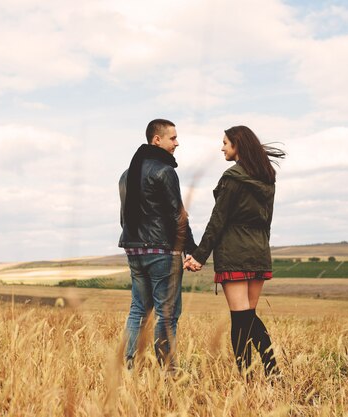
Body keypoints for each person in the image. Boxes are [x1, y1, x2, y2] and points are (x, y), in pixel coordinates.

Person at [184, 125, 285, 378]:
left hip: (235, 254)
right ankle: (270, 371)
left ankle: (254, 376)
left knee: (241, 320)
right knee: (248, 317)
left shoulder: (232, 177)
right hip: (259, 252)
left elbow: (218, 220)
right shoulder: (267, 177)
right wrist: (261, 248)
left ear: (237, 145)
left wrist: (198, 256)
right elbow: (267, 221)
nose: (222, 147)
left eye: (225, 143)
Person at [118, 118, 197, 370]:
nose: (177, 143)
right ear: (157, 140)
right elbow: (178, 214)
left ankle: (128, 366)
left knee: (138, 309)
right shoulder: (165, 171)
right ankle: (169, 371)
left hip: (134, 249)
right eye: (172, 138)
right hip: (162, 250)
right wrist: (191, 248)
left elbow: (125, 214)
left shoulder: (126, 174)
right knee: (167, 313)